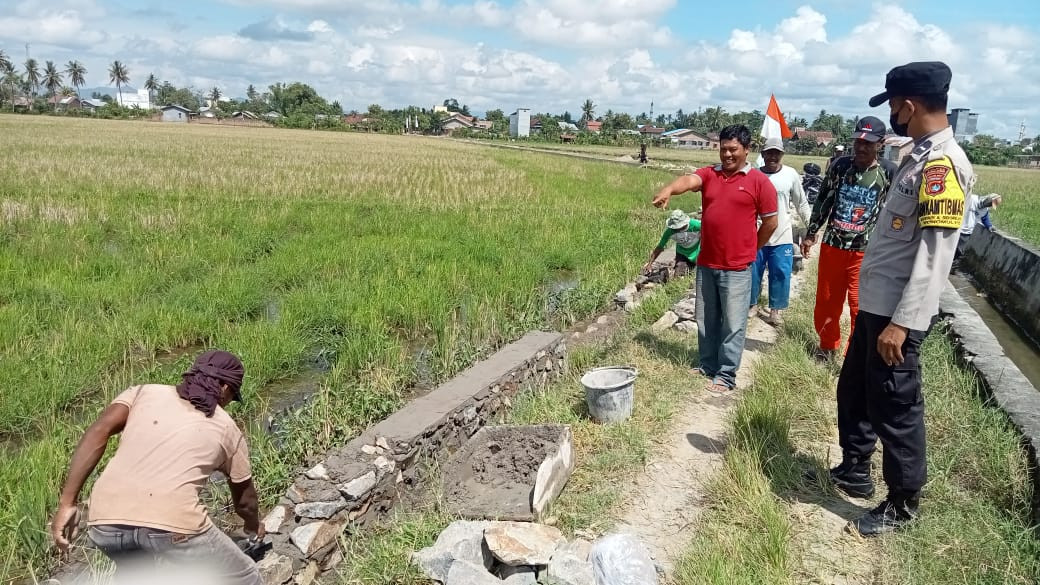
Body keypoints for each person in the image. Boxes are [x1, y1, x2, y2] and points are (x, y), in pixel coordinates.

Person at [825, 62, 974, 536]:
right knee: (856, 392)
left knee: (896, 406)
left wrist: (903, 324)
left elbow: (934, 256)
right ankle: (855, 469)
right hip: (877, 305)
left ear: (909, 105)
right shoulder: (916, 157)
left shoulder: (941, 166)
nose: (892, 113)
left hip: (896, 316)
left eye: (892, 104)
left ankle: (903, 505)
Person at [51, 350, 264, 584]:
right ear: (224, 388)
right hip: (174, 527)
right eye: (232, 396)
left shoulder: (142, 393)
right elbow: (245, 502)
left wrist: (67, 503)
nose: (228, 403)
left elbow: (98, 432)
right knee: (246, 575)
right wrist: (253, 527)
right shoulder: (228, 429)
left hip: (105, 523)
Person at [651, 124, 778, 393]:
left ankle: (727, 374)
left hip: (737, 266)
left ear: (747, 149)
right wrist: (669, 190)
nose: (728, 155)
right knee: (706, 318)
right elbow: (688, 180)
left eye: (733, 150)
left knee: (733, 322)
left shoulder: (759, 182)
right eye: (723, 150)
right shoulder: (710, 175)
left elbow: (770, 223)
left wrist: (752, 248)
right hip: (707, 262)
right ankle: (707, 364)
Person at [801, 116, 896, 360]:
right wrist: (811, 232)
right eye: (858, 142)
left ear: (880, 144)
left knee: (859, 305)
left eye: (869, 143)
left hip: (866, 250)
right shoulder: (840, 167)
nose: (862, 147)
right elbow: (824, 200)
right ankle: (828, 346)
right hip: (834, 245)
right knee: (827, 300)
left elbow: (893, 213)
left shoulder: (888, 172)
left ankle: (854, 354)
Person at [750, 137, 811, 325]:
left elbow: (801, 203)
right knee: (753, 272)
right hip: (757, 235)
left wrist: (811, 228)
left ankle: (775, 309)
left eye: (776, 153)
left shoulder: (790, 175)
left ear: (782, 155)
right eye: (769, 153)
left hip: (782, 234)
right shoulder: (753, 175)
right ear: (763, 154)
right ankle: (751, 304)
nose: (772, 157)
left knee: (780, 272)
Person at [644, 208, 702, 278]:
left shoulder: (696, 225)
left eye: (679, 227)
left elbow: (711, 233)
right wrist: (650, 264)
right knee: (678, 276)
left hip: (699, 253)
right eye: (675, 228)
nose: (677, 230)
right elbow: (660, 247)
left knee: (699, 274)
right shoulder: (670, 231)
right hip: (683, 255)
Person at [954, 192, 1001, 267]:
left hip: (967, 232)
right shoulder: (971, 199)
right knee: (950, 247)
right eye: (989, 203)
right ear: (988, 198)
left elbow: (985, 219)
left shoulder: (985, 210)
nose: (989, 205)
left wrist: (989, 226)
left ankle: (951, 265)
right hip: (956, 227)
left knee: (959, 251)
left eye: (990, 205)